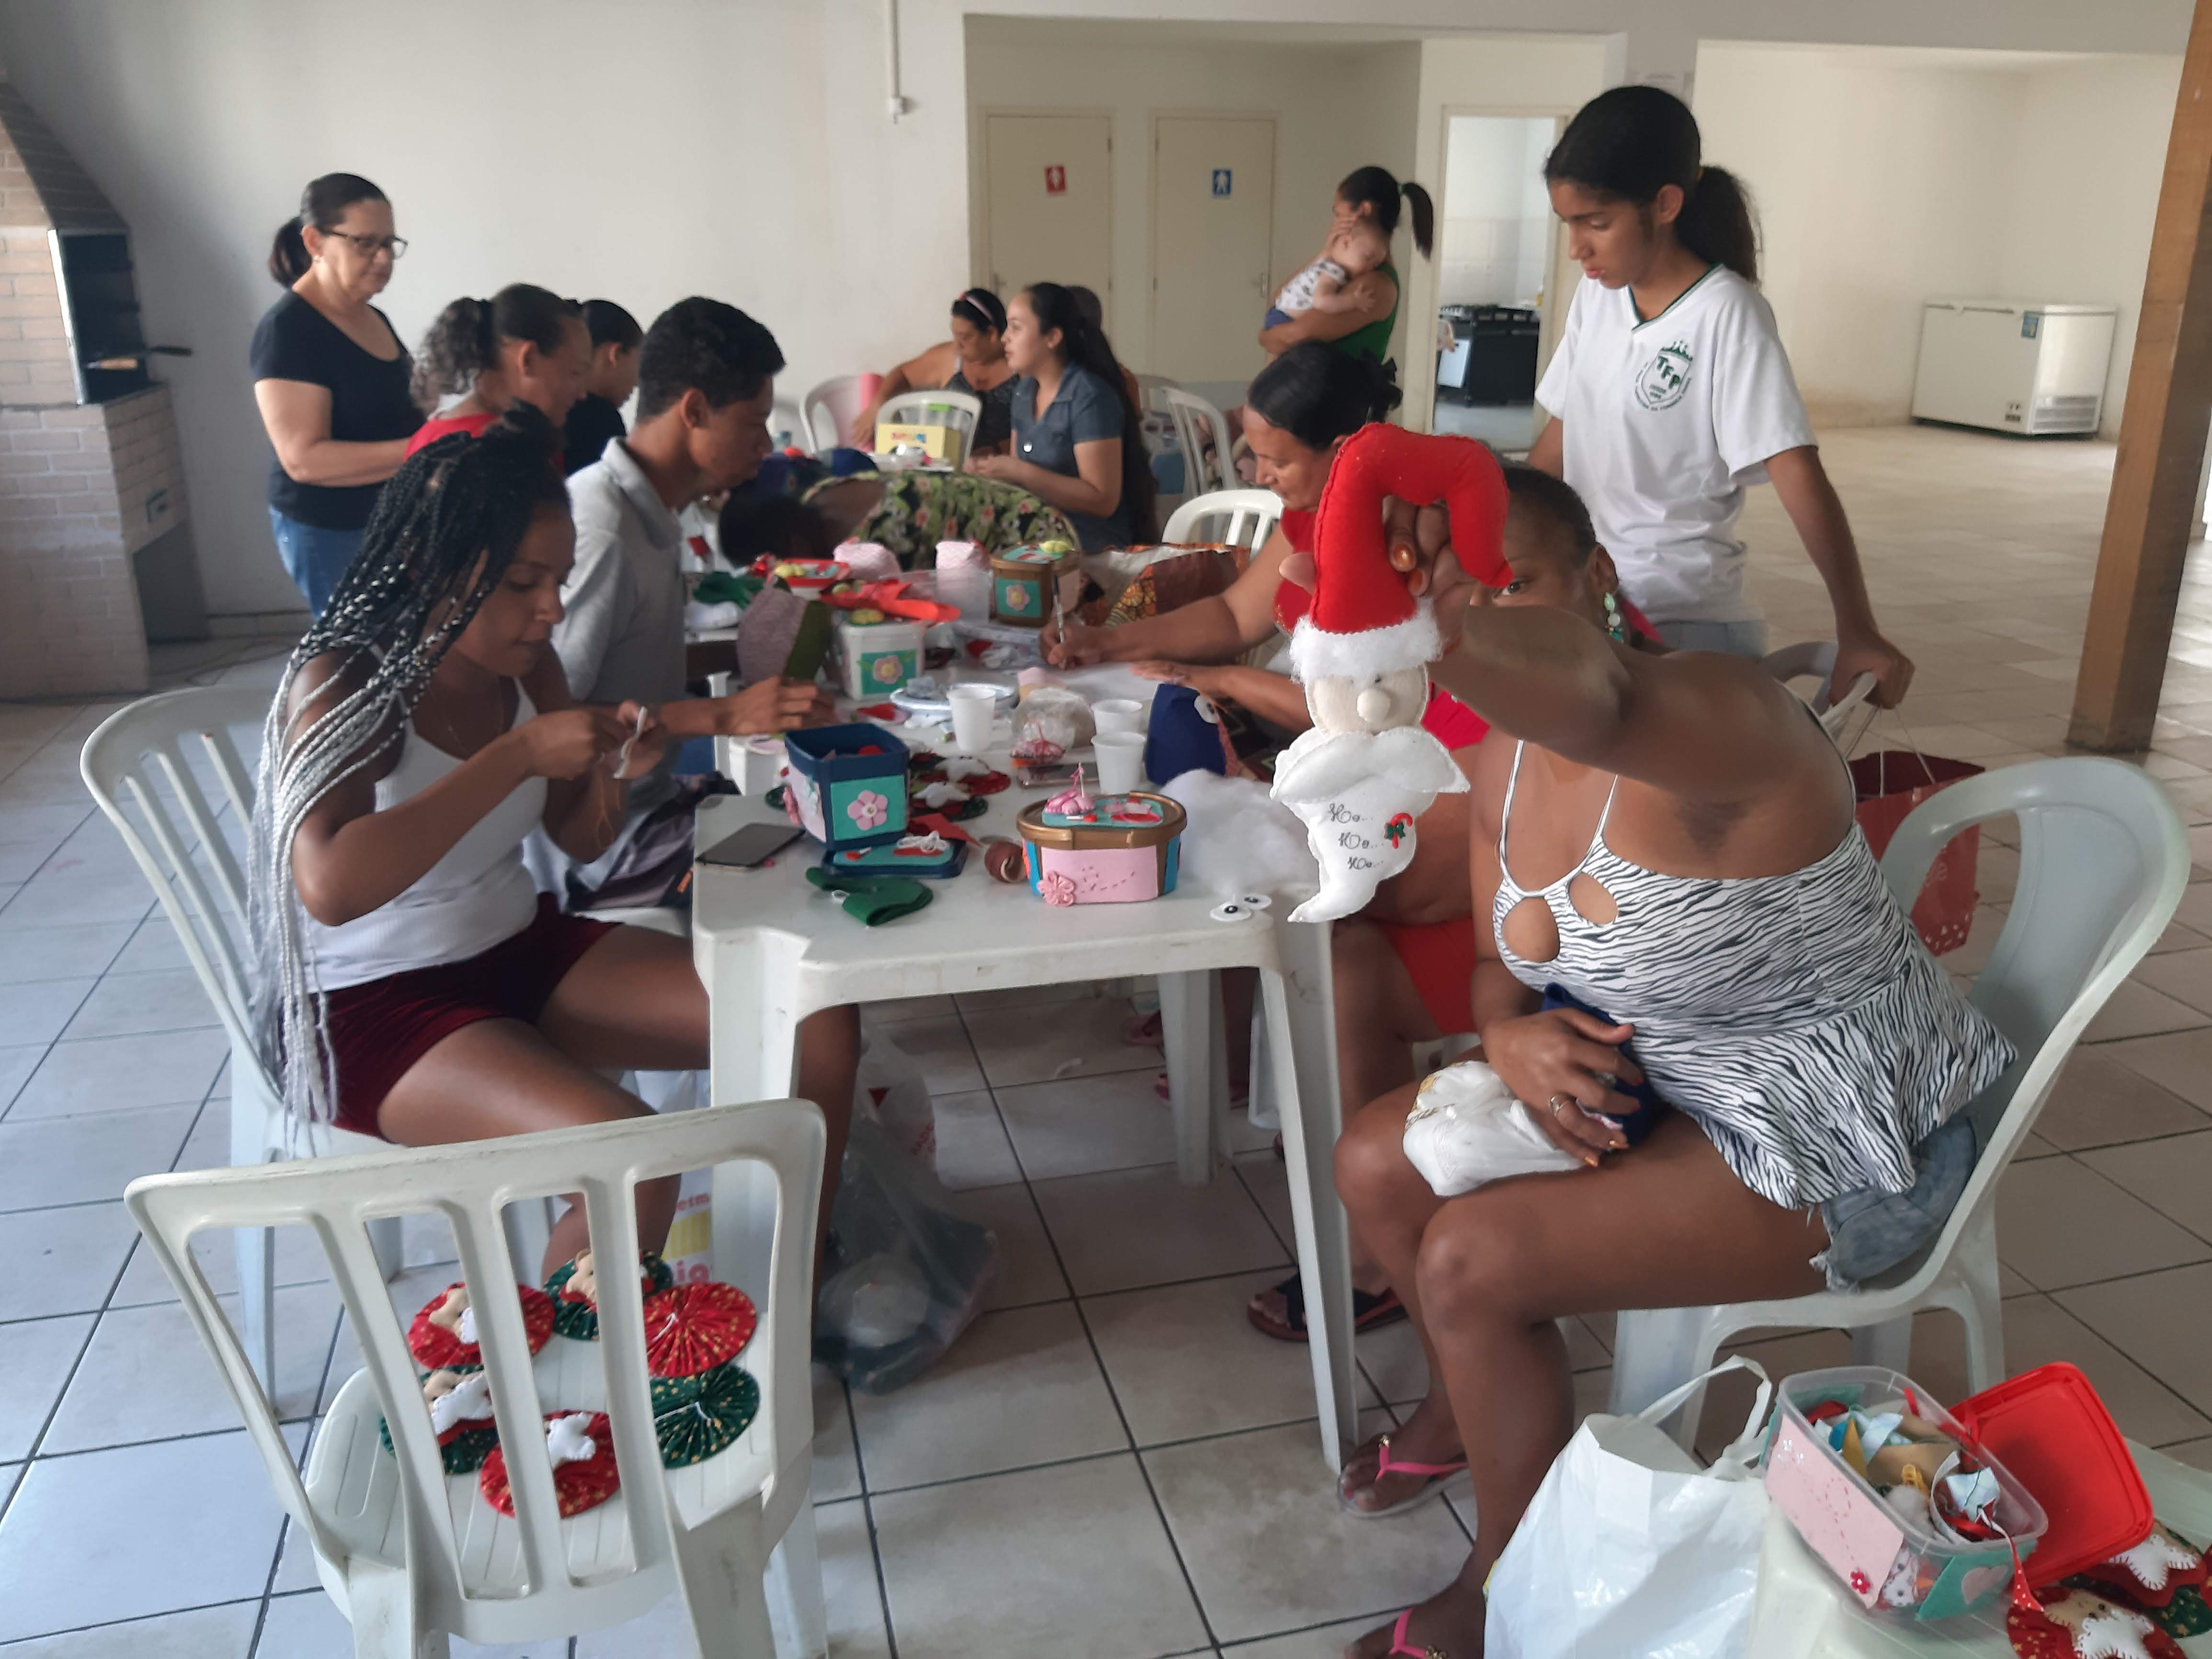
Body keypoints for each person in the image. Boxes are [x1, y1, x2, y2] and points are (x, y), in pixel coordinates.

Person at [1323, 462, 2012, 1658]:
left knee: (1469, 1260)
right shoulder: (1499, 760)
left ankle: (1514, 1584)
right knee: (1374, 1159)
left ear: (1594, 580)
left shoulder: (1716, 716)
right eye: (1461, 593)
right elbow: (1503, 967)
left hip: (1844, 1130)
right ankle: (1457, 1397)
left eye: (1512, 582)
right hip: (1662, 1075)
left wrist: (1434, 622)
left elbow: (1592, 694)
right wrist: (1505, 1030)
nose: (1487, 616)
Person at [244, 407, 855, 1275]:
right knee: (630, 1161)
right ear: (429, 564)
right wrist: (515, 755)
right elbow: (330, 883)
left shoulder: (525, 663)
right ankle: (565, 1401)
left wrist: (613, 764)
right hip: (363, 1005)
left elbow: (575, 836)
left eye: (559, 580)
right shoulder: (347, 676)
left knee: (817, 1026)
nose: (550, 609)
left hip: (510, 945)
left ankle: (787, 1292)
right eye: (523, 583)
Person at [1530, 85, 1913, 705]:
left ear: (1664, 204)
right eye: (1567, 224)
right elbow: (1563, 436)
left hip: (1682, 620)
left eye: (1596, 223)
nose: (1577, 249)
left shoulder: (1725, 314)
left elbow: (1795, 470)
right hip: (1596, 604)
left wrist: (1857, 625)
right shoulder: (1598, 298)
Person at [552, 297, 837, 912]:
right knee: (827, 881)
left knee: (840, 809)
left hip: (655, 797)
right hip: (601, 846)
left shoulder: (654, 513)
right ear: (695, 410)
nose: (766, 445)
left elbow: (631, 658)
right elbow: (551, 718)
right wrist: (722, 715)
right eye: (754, 422)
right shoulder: (601, 529)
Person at [250, 173, 422, 617]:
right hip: (329, 529)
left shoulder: (374, 318)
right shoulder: (289, 330)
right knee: (356, 662)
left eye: (390, 243)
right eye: (364, 243)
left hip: (387, 520)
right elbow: (304, 459)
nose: (383, 258)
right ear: (315, 242)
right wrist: (421, 448)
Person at [966, 282, 1157, 551]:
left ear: (1052, 337)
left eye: (1017, 328)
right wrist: (986, 471)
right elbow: (1024, 487)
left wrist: (1020, 471)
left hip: (1090, 547)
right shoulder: (1023, 393)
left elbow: (1102, 499)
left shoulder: (1090, 397)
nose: (1004, 339)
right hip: (1039, 537)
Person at [717, 454, 1079, 570]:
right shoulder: (818, 494)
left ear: (792, 542)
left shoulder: (875, 545)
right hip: (1026, 520)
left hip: (1037, 545)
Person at [1258, 166, 1433, 364]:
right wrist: (1326, 254)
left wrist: (1264, 338)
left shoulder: (1375, 286)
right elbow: (1279, 299)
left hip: (1338, 393)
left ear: (1365, 210)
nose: (1336, 224)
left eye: (1339, 215)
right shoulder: (1345, 270)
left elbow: (1292, 337)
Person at [407, 285, 590, 453]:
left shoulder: (428, 436)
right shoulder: (504, 455)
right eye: (575, 373)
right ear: (528, 360)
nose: (583, 393)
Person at [850, 288, 1019, 456]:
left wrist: (996, 451)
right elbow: (903, 374)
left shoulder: (1020, 367)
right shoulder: (949, 358)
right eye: (955, 335)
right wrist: (878, 404)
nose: (958, 344)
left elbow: (1034, 435)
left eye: (966, 337)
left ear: (991, 334)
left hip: (999, 468)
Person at [1266, 215, 1392, 332]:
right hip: (1284, 319)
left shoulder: (1326, 262)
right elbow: (1322, 302)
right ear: (1346, 243)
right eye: (1368, 258)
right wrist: (1353, 301)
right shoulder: (1334, 271)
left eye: (1375, 265)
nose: (1369, 267)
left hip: (1279, 315)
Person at [564, 299, 643, 475]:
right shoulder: (601, 418)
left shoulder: (557, 409)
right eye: (638, 363)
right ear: (615, 354)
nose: (637, 383)